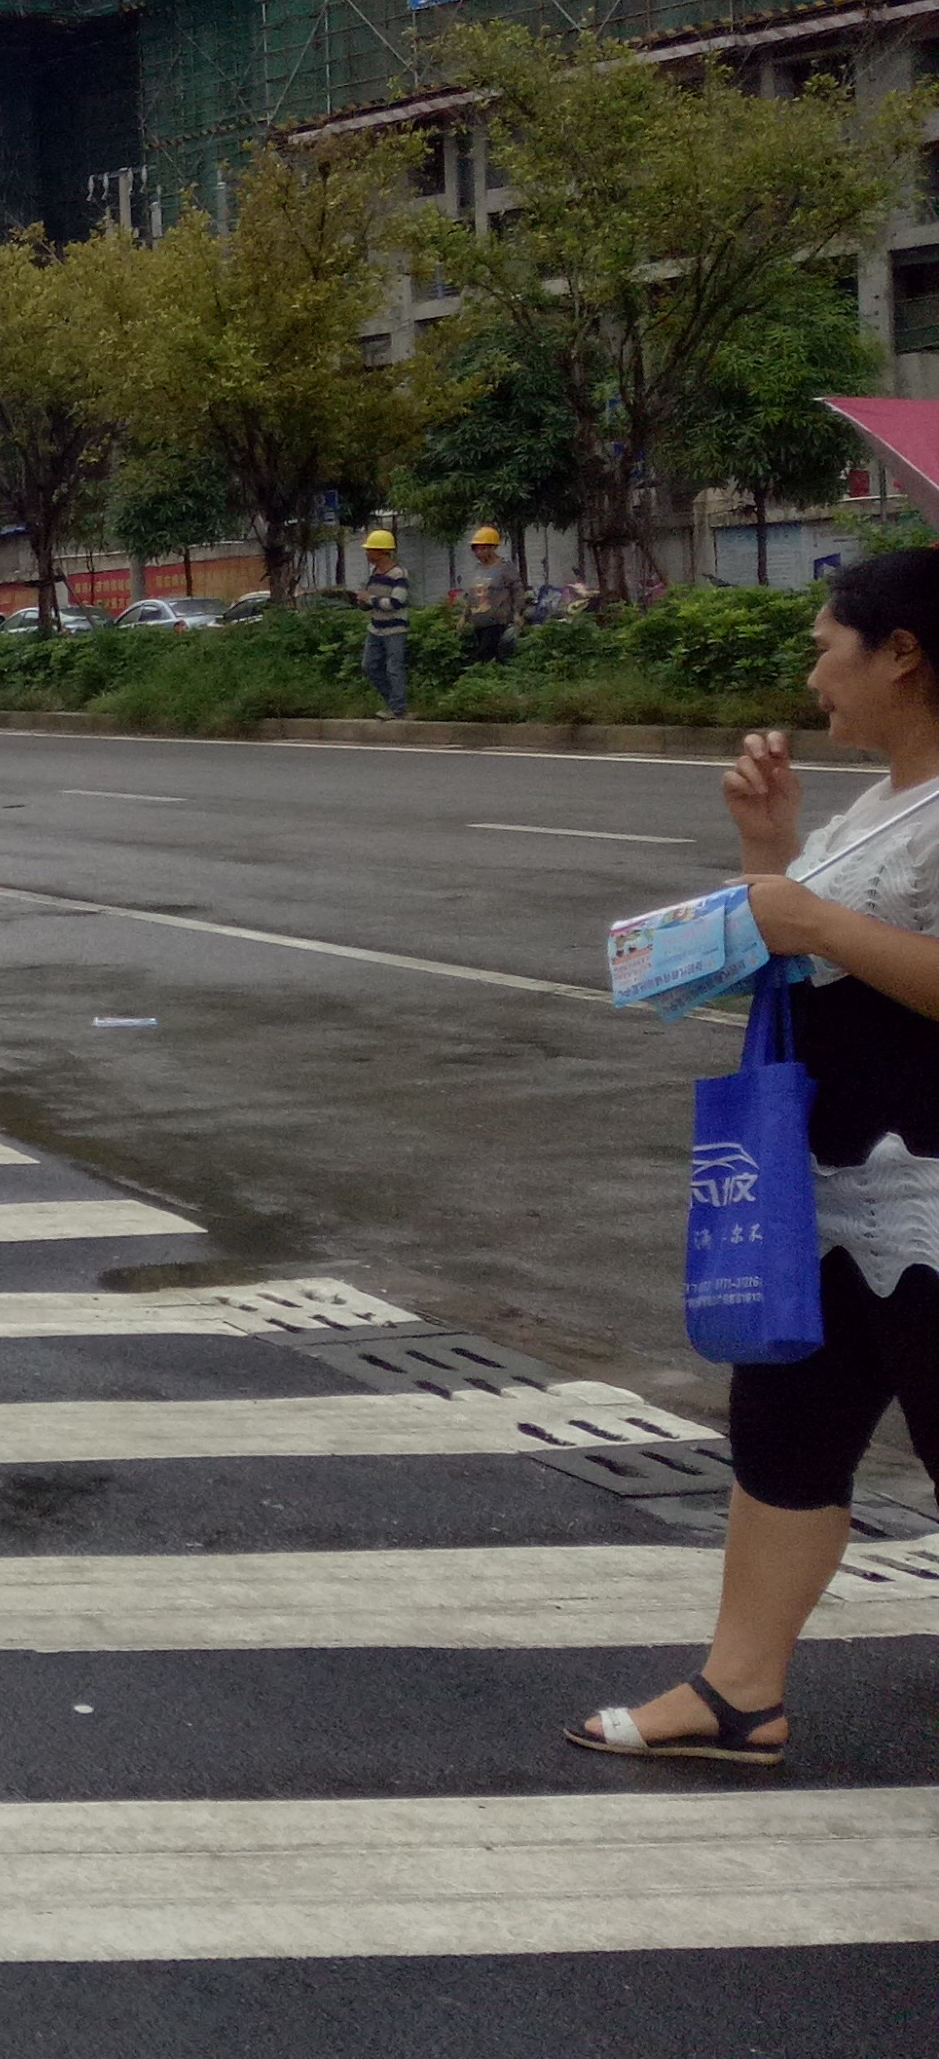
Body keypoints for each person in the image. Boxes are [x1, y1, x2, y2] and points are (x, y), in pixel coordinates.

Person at [570, 548, 939, 1770]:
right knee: (784, 1435)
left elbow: (839, 945)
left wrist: (810, 912)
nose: (810, 671)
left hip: (929, 1207)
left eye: (828, 643)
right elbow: (800, 953)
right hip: (828, 1199)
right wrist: (769, 853)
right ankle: (740, 1694)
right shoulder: (886, 799)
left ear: (903, 654)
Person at [357, 529, 414, 717]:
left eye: (370, 550)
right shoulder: (374, 573)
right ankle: (393, 702)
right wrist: (362, 601)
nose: (367, 554)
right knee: (369, 665)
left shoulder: (399, 574)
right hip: (375, 628)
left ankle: (398, 708)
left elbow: (396, 602)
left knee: (393, 669)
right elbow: (371, 601)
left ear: (381, 552)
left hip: (394, 629)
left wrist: (371, 599)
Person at [459, 525, 525, 663]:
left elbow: (517, 590)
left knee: (486, 656)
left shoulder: (505, 567)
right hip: (479, 622)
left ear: (492, 548)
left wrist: (517, 613)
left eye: (483, 548)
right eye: (476, 549)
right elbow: (471, 595)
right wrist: (464, 617)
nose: (479, 552)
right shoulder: (477, 569)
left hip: (497, 621)